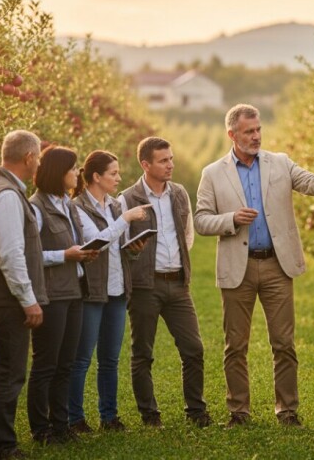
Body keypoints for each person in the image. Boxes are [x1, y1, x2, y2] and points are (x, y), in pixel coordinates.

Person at [194, 103, 314, 428]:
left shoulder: (279, 163)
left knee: (283, 343)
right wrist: (231, 219)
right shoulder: (213, 173)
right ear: (232, 134)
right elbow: (200, 220)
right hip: (237, 267)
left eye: (258, 130)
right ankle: (238, 412)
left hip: (276, 266)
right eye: (248, 132)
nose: (256, 136)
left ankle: (288, 411)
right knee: (235, 345)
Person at [119, 137, 211, 428]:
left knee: (193, 349)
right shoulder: (128, 198)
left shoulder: (179, 194)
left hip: (178, 285)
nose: (170, 165)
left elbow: (187, 234)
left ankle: (195, 411)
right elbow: (119, 244)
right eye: (163, 160)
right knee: (143, 353)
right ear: (146, 165)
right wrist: (135, 258)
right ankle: (150, 415)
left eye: (171, 159)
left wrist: (179, 265)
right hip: (146, 286)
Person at [0, 129, 46, 460]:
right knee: (10, 372)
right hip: (6, 299)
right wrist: (28, 299)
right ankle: (2, 447)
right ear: (28, 158)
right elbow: (11, 254)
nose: (40, 162)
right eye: (39, 156)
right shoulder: (5, 195)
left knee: (1, 369)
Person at [68, 150, 151, 433]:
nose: (118, 178)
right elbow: (96, 243)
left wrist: (135, 250)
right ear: (96, 177)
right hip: (92, 291)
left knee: (110, 359)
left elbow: (118, 246)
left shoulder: (114, 206)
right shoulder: (77, 207)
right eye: (113, 173)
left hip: (116, 289)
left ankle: (109, 417)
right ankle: (75, 419)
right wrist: (126, 219)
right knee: (82, 358)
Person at [26, 146, 98, 445]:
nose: (77, 173)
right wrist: (64, 256)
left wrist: (84, 254)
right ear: (58, 172)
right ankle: (40, 430)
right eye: (72, 168)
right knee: (46, 364)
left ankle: (61, 425)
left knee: (66, 363)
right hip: (52, 294)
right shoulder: (36, 207)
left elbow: (73, 245)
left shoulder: (68, 205)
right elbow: (30, 254)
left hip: (75, 291)